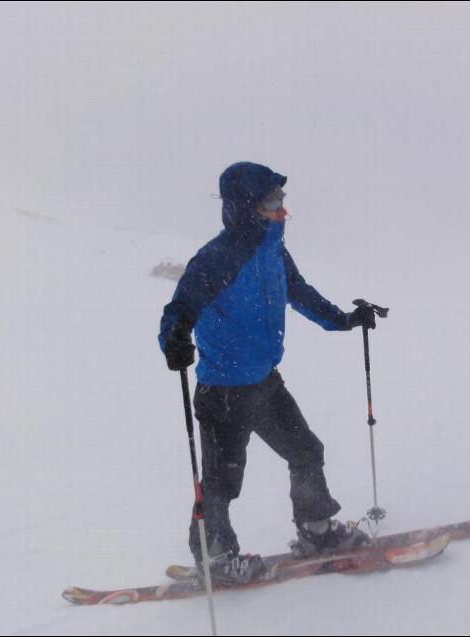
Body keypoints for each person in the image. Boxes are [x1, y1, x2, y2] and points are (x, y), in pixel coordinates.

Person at [158, 161, 378, 584]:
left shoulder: (273, 251)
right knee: (221, 483)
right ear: (246, 207)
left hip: (264, 382)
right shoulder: (216, 259)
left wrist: (345, 320)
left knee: (306, 452)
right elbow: (178, 312)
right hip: (223, 390)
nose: (283, 211)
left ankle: (317, 530)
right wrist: (174, 340)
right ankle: (216, 560)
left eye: (282, 201)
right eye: (273, 202)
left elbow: (301, 294)